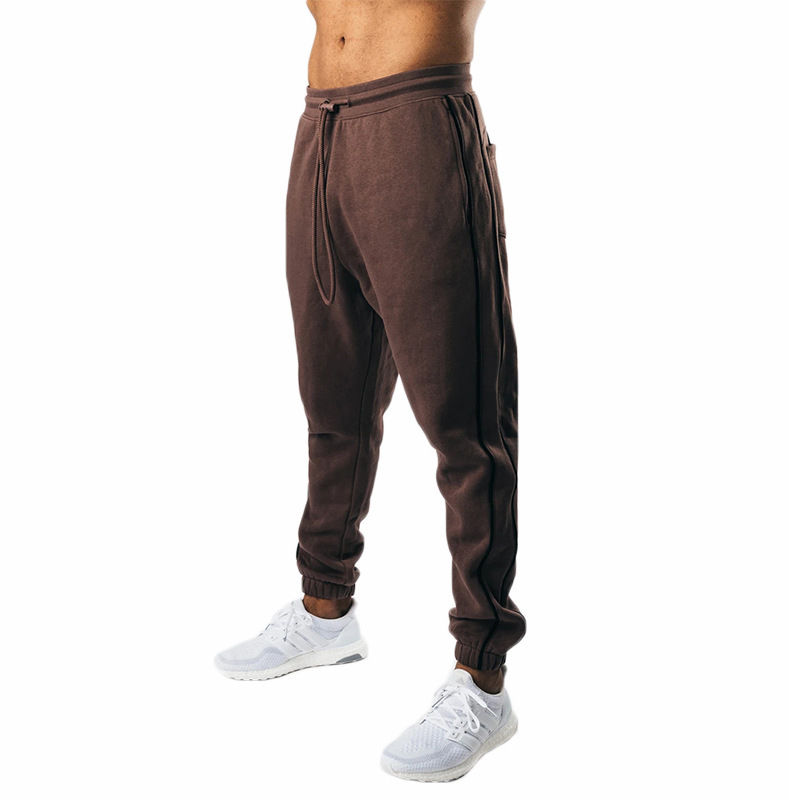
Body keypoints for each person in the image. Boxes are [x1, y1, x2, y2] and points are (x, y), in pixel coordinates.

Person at [215, 0, 526, 781]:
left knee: (466, 425)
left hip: (418, 118)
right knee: (334, 405)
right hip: (321, 127)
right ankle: (326, 607)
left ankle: (482, 677)